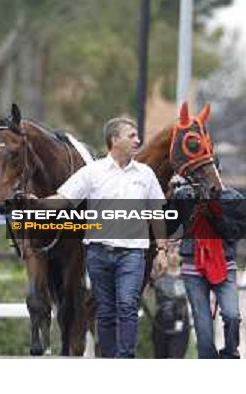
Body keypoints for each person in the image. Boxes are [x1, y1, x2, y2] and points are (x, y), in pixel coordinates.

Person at [48, 117, 168, 358]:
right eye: (131, 135)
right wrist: (33, 203)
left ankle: (125, 358)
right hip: (98, 253)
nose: (138, 140)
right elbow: (62, 199)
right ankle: (108, 359)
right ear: (114, 140)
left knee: (127, 306)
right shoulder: (92, 172)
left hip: (133, 254)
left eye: (137, 135)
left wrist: (163, 250)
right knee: (105, 311)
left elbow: (157, 213)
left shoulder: (145, 174)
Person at [167, 171, 246, 358]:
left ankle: (230, 353)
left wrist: (213, 214)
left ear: (216, 173)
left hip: (224, 264)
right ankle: (208, 362)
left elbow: (234, 234)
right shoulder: (183, 196)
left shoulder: (233, 198)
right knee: (202, 324)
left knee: (232, 315)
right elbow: (169, 224)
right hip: (192, 265)